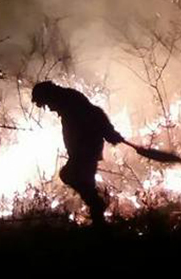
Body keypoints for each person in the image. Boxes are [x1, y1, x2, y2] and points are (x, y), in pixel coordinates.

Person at [31, 81, 125, 226]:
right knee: (81, 180)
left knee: (70, 175)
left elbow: (95, 114)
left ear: (49, 96)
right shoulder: (66, 101)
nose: (49, 108)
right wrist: (109, 133)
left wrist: (109, 132)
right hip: (82, 151)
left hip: (86, 149)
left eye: (46, 103)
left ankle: (98, 213)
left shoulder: (71, 100)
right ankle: (98, 217)